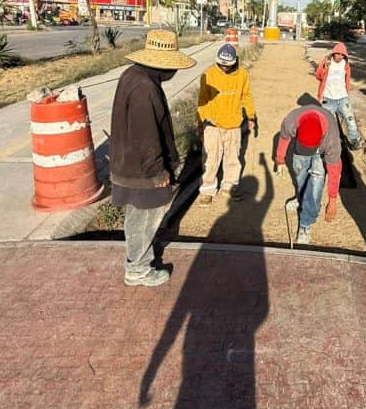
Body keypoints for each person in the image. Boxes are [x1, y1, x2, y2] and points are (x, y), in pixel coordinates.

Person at [110, 29, 196, 287]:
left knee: (136, 219)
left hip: (129, 165)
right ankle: (138, 269)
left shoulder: (133, 75)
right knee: (145, 220)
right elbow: (146, 135)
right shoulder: (145, 88)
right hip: (143, 172)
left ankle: (140, 257)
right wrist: (157, 172)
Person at [197, 43, 257, 205]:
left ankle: (229, 187)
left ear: (234, 61)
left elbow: (246, 96)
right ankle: (207, 190)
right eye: (221, 64)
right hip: (213, 125)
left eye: (227, 65)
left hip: (233, 125)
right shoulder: (209, 75)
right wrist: (201, 123)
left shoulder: (242, 75)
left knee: (233, 158)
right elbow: (202, 100)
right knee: (211, 158)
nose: (223, 68)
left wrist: (251, 116)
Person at [275, 104, 341, 245]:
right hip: (300, 149)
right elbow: (284, 138)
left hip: (320, 150)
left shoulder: (331, 139)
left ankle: (306, 224)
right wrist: (280, 159)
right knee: (300, 172)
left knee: (315, 186)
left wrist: (333, 200)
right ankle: (301, 198)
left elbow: (335, 170)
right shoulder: (291, 121)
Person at [314, 41, 361, 148]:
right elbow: (318, 76)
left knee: (350, 119)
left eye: (342, 55)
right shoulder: (327, 62)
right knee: (326, 122)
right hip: (328, 98)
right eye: (338, 54)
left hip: (342, 97)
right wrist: (323, 67)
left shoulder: (346, 64)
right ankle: (325, 144)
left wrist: (346, 92)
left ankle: (354, 140)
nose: (340, 56)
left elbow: (347, 79)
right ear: (333, 53)